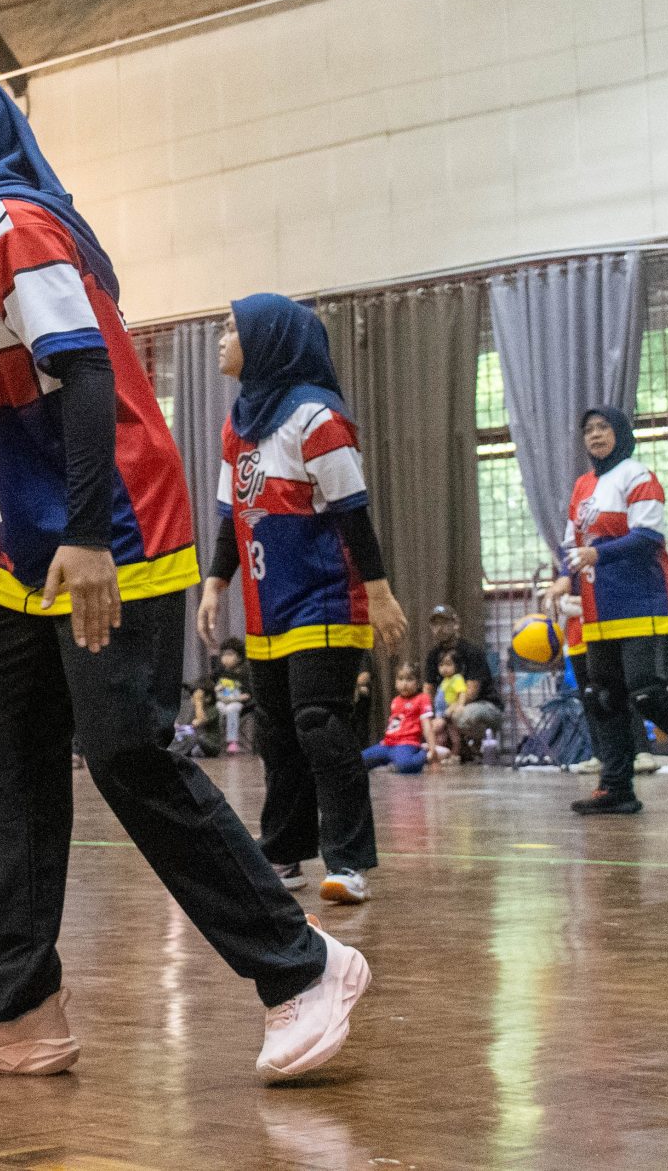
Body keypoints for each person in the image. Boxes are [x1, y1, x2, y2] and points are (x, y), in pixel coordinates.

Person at [0, 60, 365, 1085]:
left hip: (114, 527)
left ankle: (304, 966)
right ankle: (19, 1003)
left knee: (126, 751)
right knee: (4, 748)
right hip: (33, 548)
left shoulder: (12, 225)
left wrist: (91, 534)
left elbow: (86, 367)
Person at [199, 292, 409, 907]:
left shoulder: (317, 417)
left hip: (326, 598)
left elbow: (353, 513)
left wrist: (379, 593)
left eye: (231, 328)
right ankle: (284, 852)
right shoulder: (238, 423)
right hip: (268, 605)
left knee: (319, 723)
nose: (221, 339)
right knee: (278, 734)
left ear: (268, 339)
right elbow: (232, 516)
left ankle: (348, 861)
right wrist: (216, 582)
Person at [554, 406, 668, 815]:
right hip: (599, 605)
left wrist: (597, 554)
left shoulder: (638, 476)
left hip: (645, 599)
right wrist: (563, 577)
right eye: (589, 430)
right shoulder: (582, 486)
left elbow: (647, 538)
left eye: (603, 427)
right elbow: (571, 544)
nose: (595, 435)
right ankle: (617, 788)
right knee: (602, 695)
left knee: (647, 692)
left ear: (621, 433)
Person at [434, 641, 504, 762]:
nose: (444, 669)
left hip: (481, 706)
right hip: (444, 712)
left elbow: (465, 693)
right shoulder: (445, 681)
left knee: (457, 728)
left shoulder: (457, 678)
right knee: (444, 733)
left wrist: (456, 707)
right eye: (441, 665)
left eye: (448, 665)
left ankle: (473, 747)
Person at [360, 663, 433, 774]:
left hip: (407, 744)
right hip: (387, 744)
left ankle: (423, 753)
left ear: (418, 683)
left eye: (409, 679)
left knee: (404, 766)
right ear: (395, 682)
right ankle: (390, 761)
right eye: (400, 679)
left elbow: (427, 725)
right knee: (358, 761)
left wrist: (432, 749)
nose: (404, 684)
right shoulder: (395, 701)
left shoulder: (422, 698)